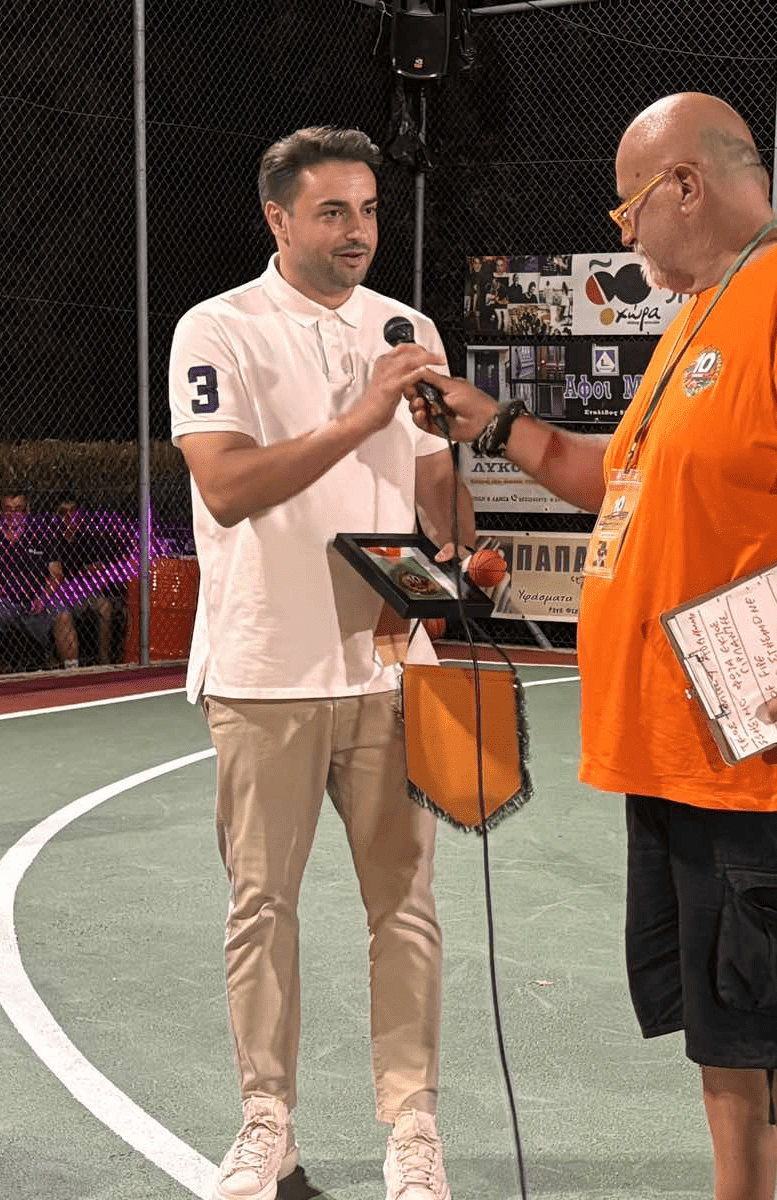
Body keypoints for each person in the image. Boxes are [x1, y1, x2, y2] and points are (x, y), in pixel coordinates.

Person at [410, 93, 777, 1200]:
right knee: (726, 1026)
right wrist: (491, 422)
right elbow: (615, 480)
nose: (623, 232)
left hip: (770, 757)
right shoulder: (705, 312)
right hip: (683, 755)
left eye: (628, 207)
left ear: (684, 186)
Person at [168, 125, 472, 1200]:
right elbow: (228, 488)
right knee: (263, 908)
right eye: (333, 211)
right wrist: (363, 414)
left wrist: (456, 518)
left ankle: (413, 1128)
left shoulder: (408, 329)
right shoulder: (217, 329)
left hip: (392, 666)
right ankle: (268, 1123)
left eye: (370, 210)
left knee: (408, 908)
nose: (358, 231)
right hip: (265, 670)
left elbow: (436, 498)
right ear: (279, 218)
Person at [0, 488, 78, 676]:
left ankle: (73, 670)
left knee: (62, 611)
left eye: (18, 509)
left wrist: (43, 597)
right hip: (1, 603)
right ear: (0, 510)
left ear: (27, 510)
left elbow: (57, 574)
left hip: (34, 602)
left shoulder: (41, 533)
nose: (13, 515)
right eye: (7, 509)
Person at [50, 492, 132, 665]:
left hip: (84, 591)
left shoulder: (87, 538)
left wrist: (93, 572)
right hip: (62, 592)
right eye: (64, 513)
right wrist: (81, 572)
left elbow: (97, 568)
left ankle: (104, 658)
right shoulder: (52, 540)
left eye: (73, 512)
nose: (69, 517)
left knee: (105, 606)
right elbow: (59, 574)